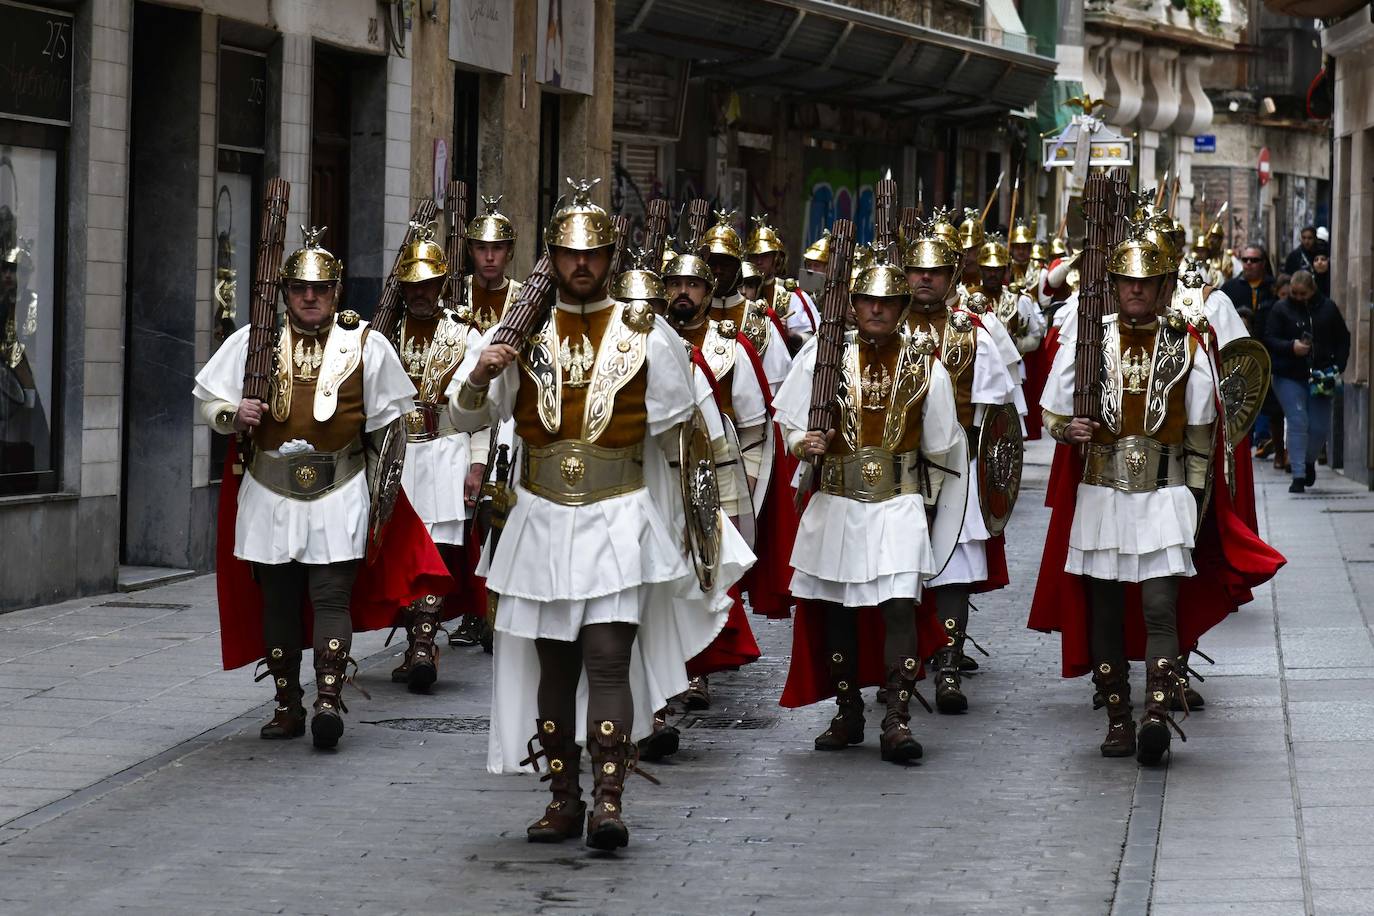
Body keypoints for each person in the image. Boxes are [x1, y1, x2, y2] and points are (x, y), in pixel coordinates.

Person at [448, 179, 746, 850]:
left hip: (619, 514)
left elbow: (687, 440)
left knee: (609, 659)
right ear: (550, 257)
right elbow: (461, 416)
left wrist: (695, 531)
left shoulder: (648, 334)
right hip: (540, 516)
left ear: (611, 257)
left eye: (593, 254)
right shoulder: (517, 332)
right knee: (554, 664)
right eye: (567, 255)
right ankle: (563, 797)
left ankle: (610, 798)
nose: (580, 266)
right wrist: (480, 371)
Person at [192, 227, 440, 749]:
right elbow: (208, 401)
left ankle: (328, 698)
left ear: (337, 292)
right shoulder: (253, 342)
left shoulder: (366, 345)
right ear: (284, 292)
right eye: (301, 289)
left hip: (340, 488)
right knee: (277, 602)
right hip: (269, 490)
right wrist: (232, 414)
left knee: (332, 596)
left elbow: (390, 428)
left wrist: (382, 503)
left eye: (321, 289)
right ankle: (287, 704)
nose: (310, 297)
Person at [775, 251, 961, 763]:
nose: (876, 309)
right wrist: (802, 444)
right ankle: (847, 708)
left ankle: (897, 719)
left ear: (901, 306)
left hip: (898, 502)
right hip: (835, 501)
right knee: (835, 611)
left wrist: (931, 510)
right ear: (853, 304)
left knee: (899, 604)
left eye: (886, 301)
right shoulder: (821, 357)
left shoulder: (926, 365)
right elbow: (790, 424)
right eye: (867, 300)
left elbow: (944, 446)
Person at [1041, 227, 1218, 765]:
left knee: (1160, 605)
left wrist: (1195, 500)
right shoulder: (1088, 339)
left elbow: (1203, 431)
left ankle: (1157, 715)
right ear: (1114, 285)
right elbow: (1051, 410)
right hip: (1102, 491)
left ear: (1165, 285)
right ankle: (1118, 720)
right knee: (1105, 611)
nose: (1136, 290)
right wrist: (1065, 429)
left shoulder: (1187, 341)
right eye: (1127, 281)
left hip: (1164, 491)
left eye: (1147, 282)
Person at [906, 225, 1020, 712]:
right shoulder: (881, 325)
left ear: (952, 275)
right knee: (899, 566)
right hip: (898, 469)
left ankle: (948, 668)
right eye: (918, 271)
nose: (925, 280)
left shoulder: (973, 330)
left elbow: (999, 410)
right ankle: (902, 666)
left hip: (957, 465)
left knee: (953, 568)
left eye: (935, 271)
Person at [386, 225, 487, 691]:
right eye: (413, 284)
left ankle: (425, 644)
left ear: (442, 284)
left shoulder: (465, 335)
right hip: (399, 456)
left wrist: (477, 463)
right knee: (402, 550)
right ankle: (414, 643)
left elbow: (482, 411)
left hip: (446, 450)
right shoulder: (383, 332)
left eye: (429, 284)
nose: (421, 293)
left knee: (438, 551)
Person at [449, 196, 524, 650]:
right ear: (471, 251)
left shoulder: (524, 300)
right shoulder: (452, 294)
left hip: (506, 416)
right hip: (460, 414)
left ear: (510, 252)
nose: (490, 257)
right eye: (481, 248)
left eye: (497, 248)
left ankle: (497, 606)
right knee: (460, 518)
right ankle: (469, 609)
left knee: (500, 514)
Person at [1263, 270, 1351, 493]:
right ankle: (1298, 474)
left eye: (1303, 293)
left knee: (1320, 427)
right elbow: (1270, 338)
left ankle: (1309, 461)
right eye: (1294, 293)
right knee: (1298, 420)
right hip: (1288, 374)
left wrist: (1338, 366)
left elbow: (1343, 338)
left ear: (1312, 290)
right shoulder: (1281, 309)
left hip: (1321, 375)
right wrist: (1291, 347)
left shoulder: (1328, 308)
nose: (1298, 297)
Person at [747, 214, 820, 352]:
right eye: (754, 256)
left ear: (776, 258)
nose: (759, 261)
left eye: (765, 256)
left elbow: (812, 340)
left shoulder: (791, 295)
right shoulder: (738, 292)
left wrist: (789, 334)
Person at [1220, 245, 1274, 317]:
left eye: (1254, 260)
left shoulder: (1273, 286)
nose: (1248, 263)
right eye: (1245, 260)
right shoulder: (1229, 287)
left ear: (1263, 263)